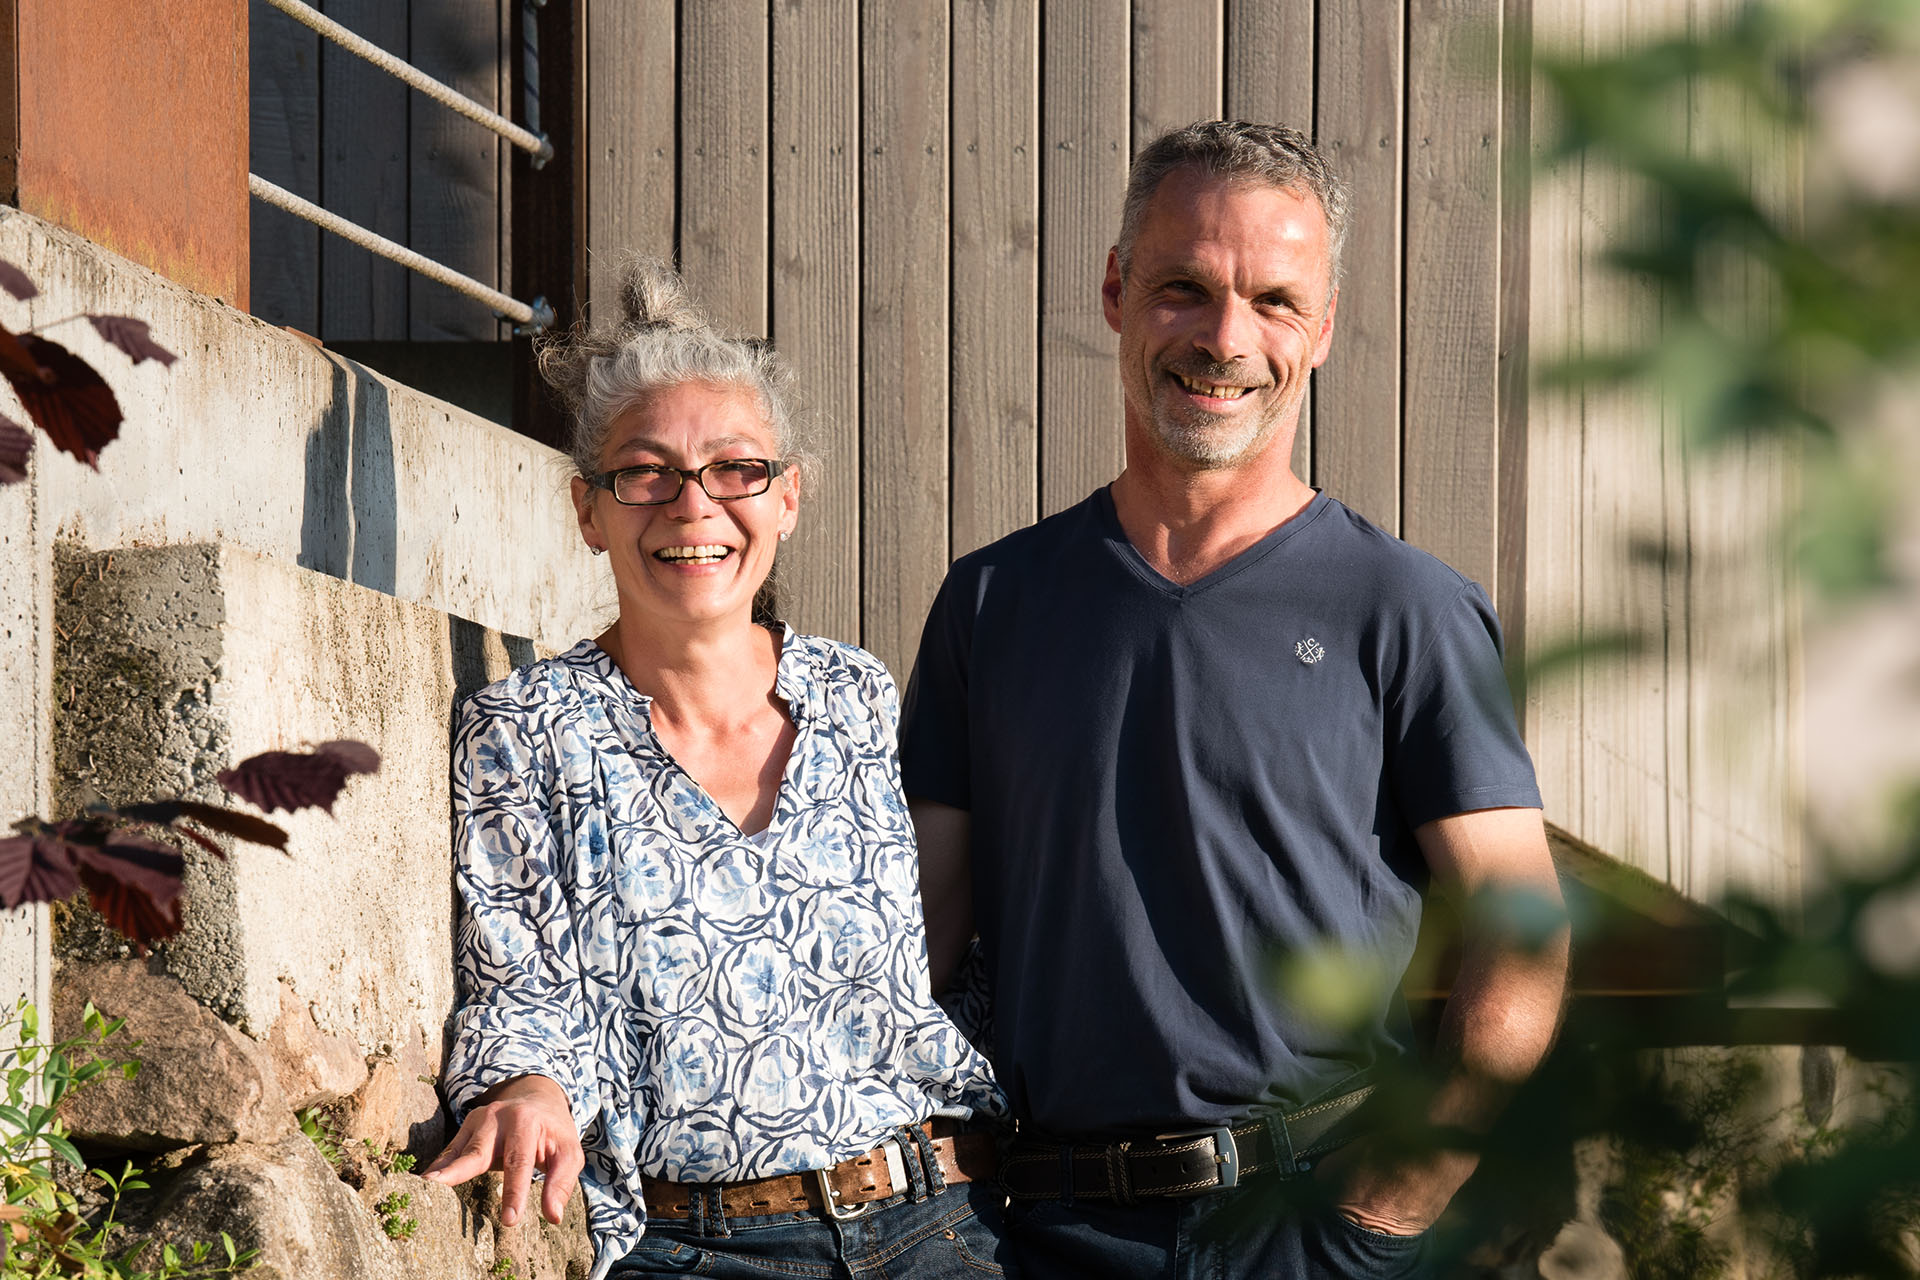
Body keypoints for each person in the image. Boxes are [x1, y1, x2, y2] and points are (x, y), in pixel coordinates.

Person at [899, 120, 1571, 1279]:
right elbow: (918, 929)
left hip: (1309, 1224)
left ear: (1325, 325)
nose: (1225, 339)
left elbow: (1524, 929)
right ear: (1115, 291)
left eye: (1273, 300)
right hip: (1045, 1232)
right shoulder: (993, 601)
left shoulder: (1404, 607)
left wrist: (1400, 1195)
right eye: (1184, 289)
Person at [423, 257, 1012, 1280]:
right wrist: (528, 1088)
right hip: (695, 1246)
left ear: (788, 498)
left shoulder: (855, 693)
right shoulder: (526, 728)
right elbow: (519, 978)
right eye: (645, 472)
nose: (692, 505)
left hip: (933, 1222)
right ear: (588, 509)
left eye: (736, 469)